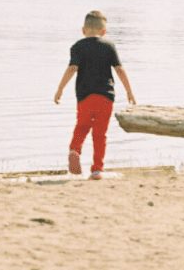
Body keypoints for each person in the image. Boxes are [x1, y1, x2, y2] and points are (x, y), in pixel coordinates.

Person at [53, 9, 136, 179]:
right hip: (106, 97)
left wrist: (60, 88)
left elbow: (72, 69)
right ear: (104, 32)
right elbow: (119, 69)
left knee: (82, 126)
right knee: (100, 133)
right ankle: (97, 169)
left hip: (85, 97)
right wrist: (129, 91)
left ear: (83, 30)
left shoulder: (77, 47)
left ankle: (75, 150)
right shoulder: (109, 46)